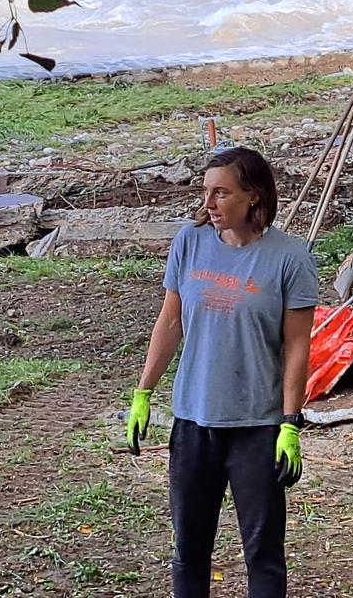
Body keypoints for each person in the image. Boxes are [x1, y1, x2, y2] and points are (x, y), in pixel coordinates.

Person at [125, 146, 318, 598]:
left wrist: (290, 423)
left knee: (263, 553)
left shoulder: (290, 257)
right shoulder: (188, 244)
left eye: (221, 193)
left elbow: (297, 344)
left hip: (256, 426)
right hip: (194, 421)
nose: (209, 204)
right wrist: (143, 393)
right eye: (206, 192)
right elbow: (169, 322)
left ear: (254, 196)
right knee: (189, 550)